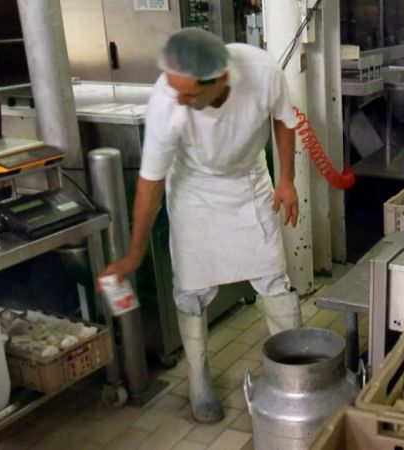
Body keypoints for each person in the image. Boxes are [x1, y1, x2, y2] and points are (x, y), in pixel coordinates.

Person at [100, 28, 302, 423]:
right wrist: (133, 253)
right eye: (174, 89)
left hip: (248, 181)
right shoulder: (166, 101)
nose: (179, 99)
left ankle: (293, 375)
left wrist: (287, 179)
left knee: (274, 278)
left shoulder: (262, 71)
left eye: (189, 94)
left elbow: (284, 120)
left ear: (220, 80)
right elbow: (150, 184)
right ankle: (199, 382)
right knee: (190, 289)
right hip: (193, 189)